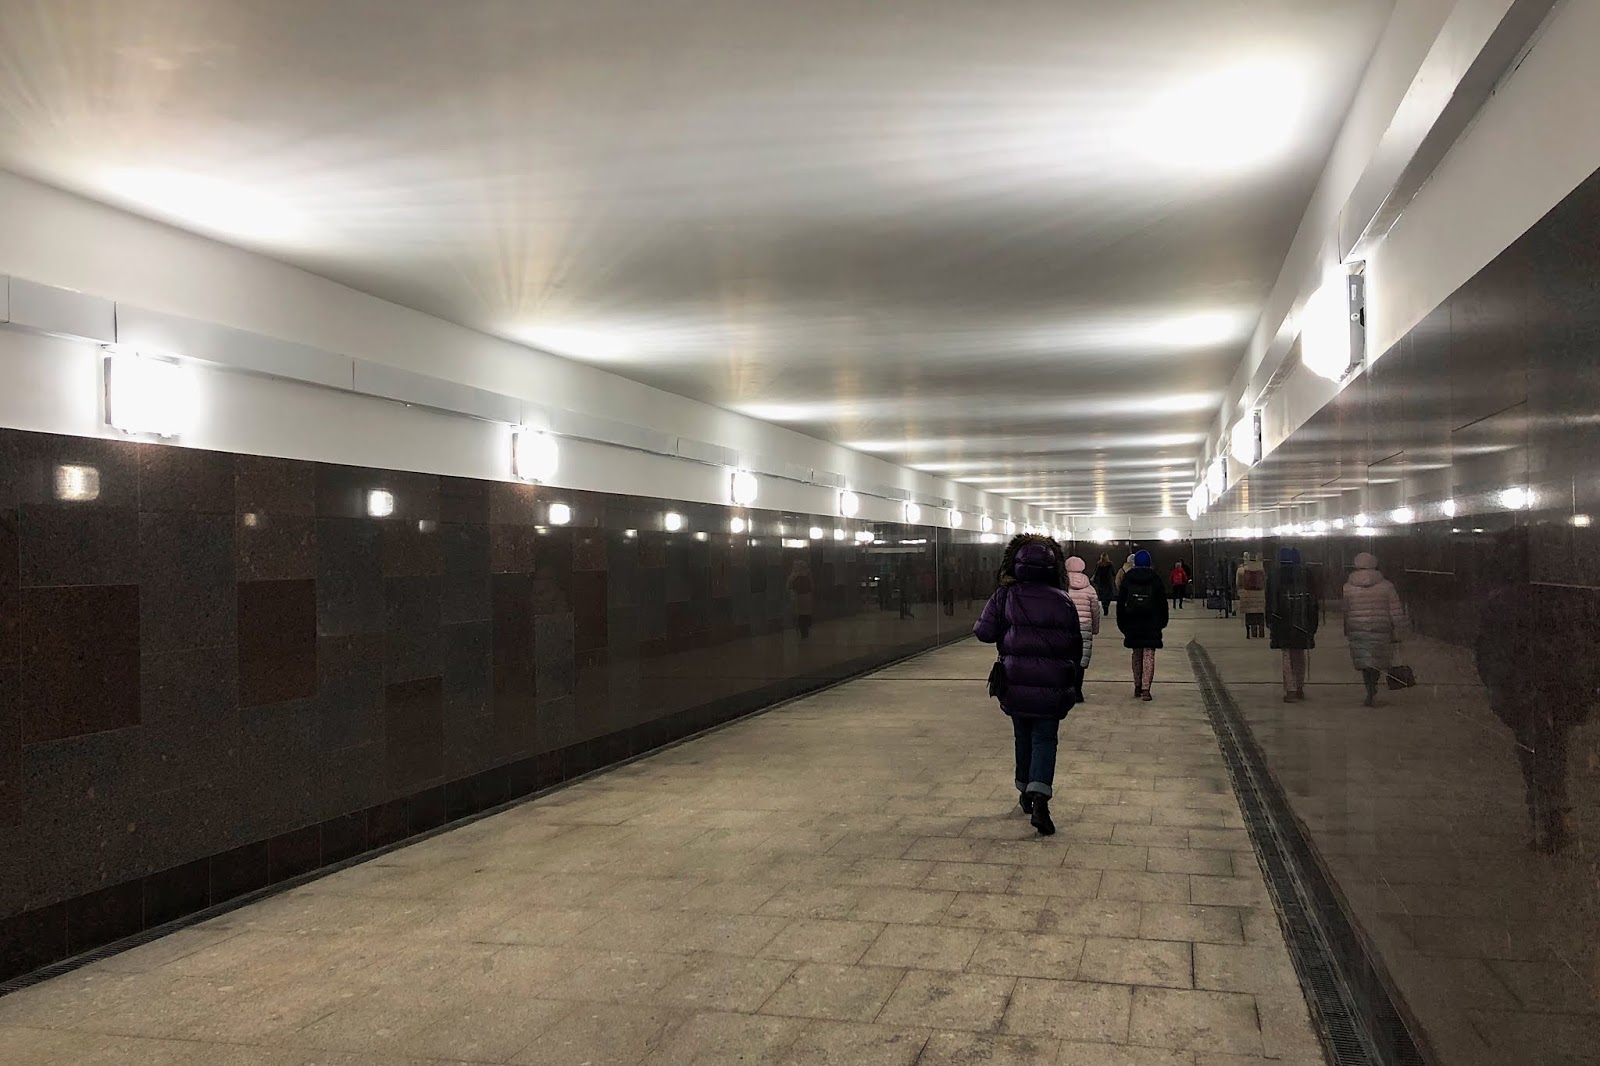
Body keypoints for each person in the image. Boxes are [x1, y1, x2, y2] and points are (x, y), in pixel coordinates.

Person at [1474, 529, 1596, 854]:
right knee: (1554, 749)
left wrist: (1499, 686)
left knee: (1532, 751)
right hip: (1559, 686)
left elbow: (1489, 649)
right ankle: (1553, 810)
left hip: (1524, 687)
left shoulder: (1502, 601)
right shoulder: (1566, 598)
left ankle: (1546, 814)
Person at [974, 535, 1083, 836]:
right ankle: (1040, 801)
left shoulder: (1005, 595)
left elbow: (983, 633)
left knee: (1022, 735)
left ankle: (1024, 790)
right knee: (1045, 738)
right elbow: (1075, 645)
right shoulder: (1062, 600)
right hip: (1052, 683)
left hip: (1015, 680)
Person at [1341, 552, 1404, 706]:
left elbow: (1346, 610)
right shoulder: (1386, 586)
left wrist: (1347, 628)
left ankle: (1369, 689)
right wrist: (1399, 628)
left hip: (1358, 627)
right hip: (1380, 626)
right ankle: (1373, 687)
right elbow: (1395, 609)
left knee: (1364, 660)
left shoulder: (1348, 587)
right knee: (1377, 659)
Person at [1116, 549, 1168, 701]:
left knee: (1136, 654)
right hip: (1152, 623)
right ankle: (1146, 689)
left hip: (1132, 621)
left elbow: (1121, 603)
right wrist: (1162, 622)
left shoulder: (1128, 578)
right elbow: (1162, 603)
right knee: (1148, 655)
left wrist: (1122, 623)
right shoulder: (1156, 579)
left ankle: (1137, 686)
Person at [1268, 547, 1318, 702]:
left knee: (1287, 655)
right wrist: (1312, 624)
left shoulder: (1275, 576)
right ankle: (1299, 686)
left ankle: (1290, 689)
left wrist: (1270, 620)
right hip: (1302, 620)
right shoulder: (1306, 575)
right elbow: (1313, 601)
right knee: (1299, 654)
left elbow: (1270, 600)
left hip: (1282, 621)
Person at [1063, 556, 1103, 702]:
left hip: (1066, 626)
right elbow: (1095, 610)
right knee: (1081, 659)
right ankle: (1077, 691)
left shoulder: (1061, 587)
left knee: (1065, 657)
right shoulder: (1089, 589)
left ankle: (1066, 689)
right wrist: (1095, 628)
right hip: (1085, 625)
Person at [1237, 552, 1267, 637]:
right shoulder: (1261, 569)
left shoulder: (1241, 570)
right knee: (1260, 614)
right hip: (1259, 595)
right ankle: (1261, 631)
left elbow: (1238, 583)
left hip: (1247, 596)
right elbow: (1265, 582)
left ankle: (1251, 632)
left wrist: (1240, 593)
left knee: (1249, 614)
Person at [787, 560, 815, 638]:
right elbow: (812, 586)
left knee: (801, 615)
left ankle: (802, 631)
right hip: (806, 597)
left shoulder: (794, 575)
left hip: (798, 597)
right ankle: (805, 630)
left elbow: (789, 586)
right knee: (805, 614)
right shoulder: (808, 574)